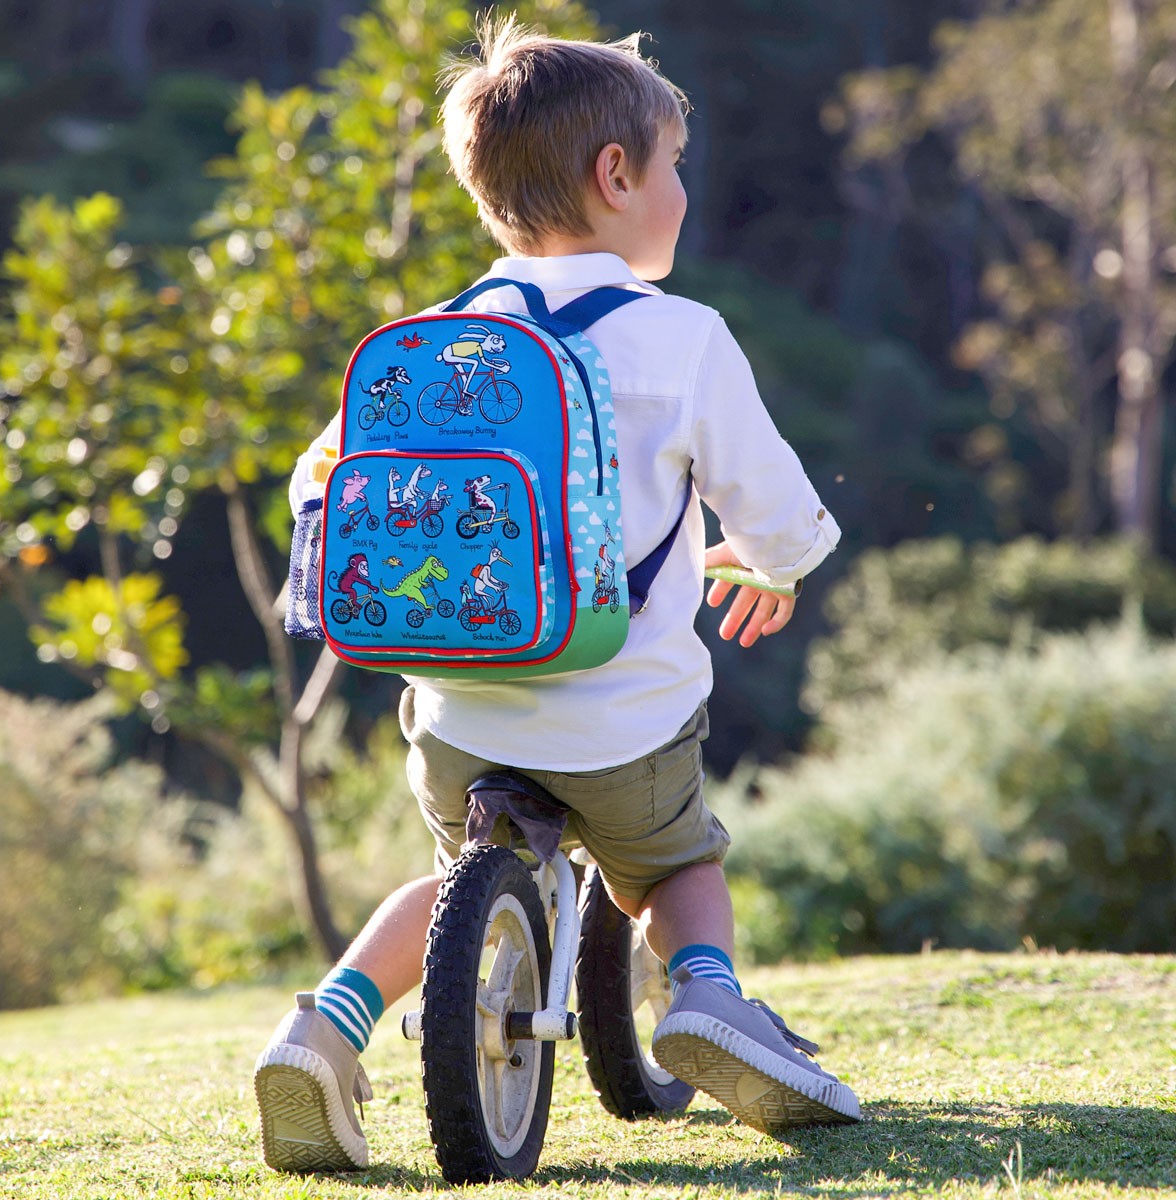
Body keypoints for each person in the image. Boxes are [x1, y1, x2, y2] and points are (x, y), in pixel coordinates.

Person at [255, 16, 859, 1174]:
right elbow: (776, 514)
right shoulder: (681, 340)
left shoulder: (435, 338)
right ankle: (705, 996)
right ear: (617, 175)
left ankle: (321, 1028)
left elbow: (320, 479)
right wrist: (768, 565)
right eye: (673, 164)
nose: (682, 186)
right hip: (621, 720)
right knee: (680, 863)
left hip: (459, 709)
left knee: (445, 887)